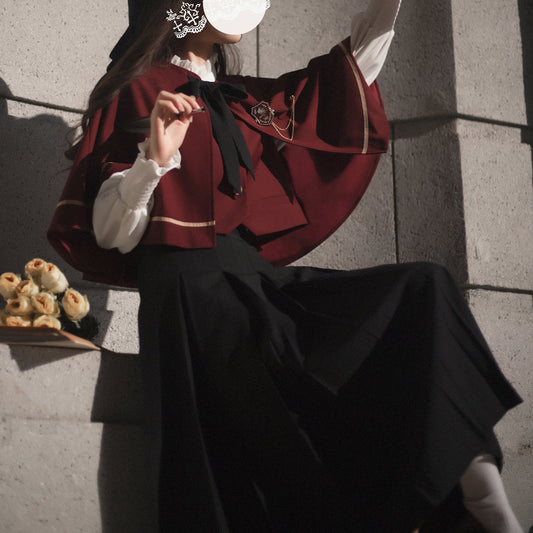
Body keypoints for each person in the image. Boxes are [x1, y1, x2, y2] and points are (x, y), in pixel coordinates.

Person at [48, 1, 524, 532]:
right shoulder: (141, 88)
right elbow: (111, 231)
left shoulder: (246, 96)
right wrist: (153, 161)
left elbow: (343, 79)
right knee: (261, 459)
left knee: (421, 290)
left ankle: (479, 497)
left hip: (252, 283)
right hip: (192, 294)